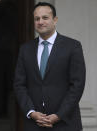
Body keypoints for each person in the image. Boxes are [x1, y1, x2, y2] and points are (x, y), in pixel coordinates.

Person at [14, 2, 85, 131]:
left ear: (55, 20)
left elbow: (77, 85)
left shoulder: (73, 46)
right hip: (34, 124)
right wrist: (31, 112)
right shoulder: (25, 49)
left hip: (65, 123)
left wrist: (59, 115)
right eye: (37, 19)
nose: (40, 22)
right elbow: (19, 85)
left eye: (45, 18)